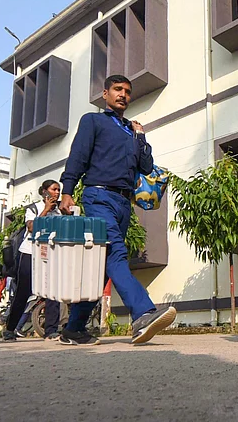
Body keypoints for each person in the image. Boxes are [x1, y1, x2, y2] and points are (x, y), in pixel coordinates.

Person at [59, 75, 177, 346]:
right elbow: (78, 155)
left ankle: (73, 329)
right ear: (105, 94)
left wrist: (141, 136)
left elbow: (146, 167)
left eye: (127, 91)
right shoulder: (93, 121)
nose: (123, 94)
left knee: (101, 268)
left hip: (125, 203)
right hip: (98, 196)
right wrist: (67, 190)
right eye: (117, 90)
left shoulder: (131, 130)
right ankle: (143, 313)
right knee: (116, 253)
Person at [3, 180, 63, 342]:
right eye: (53, 189)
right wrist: (45, 210)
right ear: (44, 192)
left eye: (58, 190)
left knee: (53, 292)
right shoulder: (34, 208)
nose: (57, 193)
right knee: (23, 292)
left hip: (50, 254)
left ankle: (51, 330)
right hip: (29, 253)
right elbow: (31, 227)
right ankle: (10, 328)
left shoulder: (59, 212)